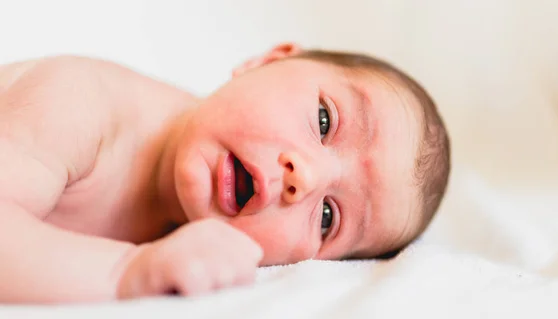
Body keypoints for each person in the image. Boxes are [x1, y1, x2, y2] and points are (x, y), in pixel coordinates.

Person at [0, 43, 450, 303]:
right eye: (324, 120)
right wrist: (126, 274)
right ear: (268, 60)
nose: (304, 179)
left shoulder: (194, 247)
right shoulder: (77, 102)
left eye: (329, 217)